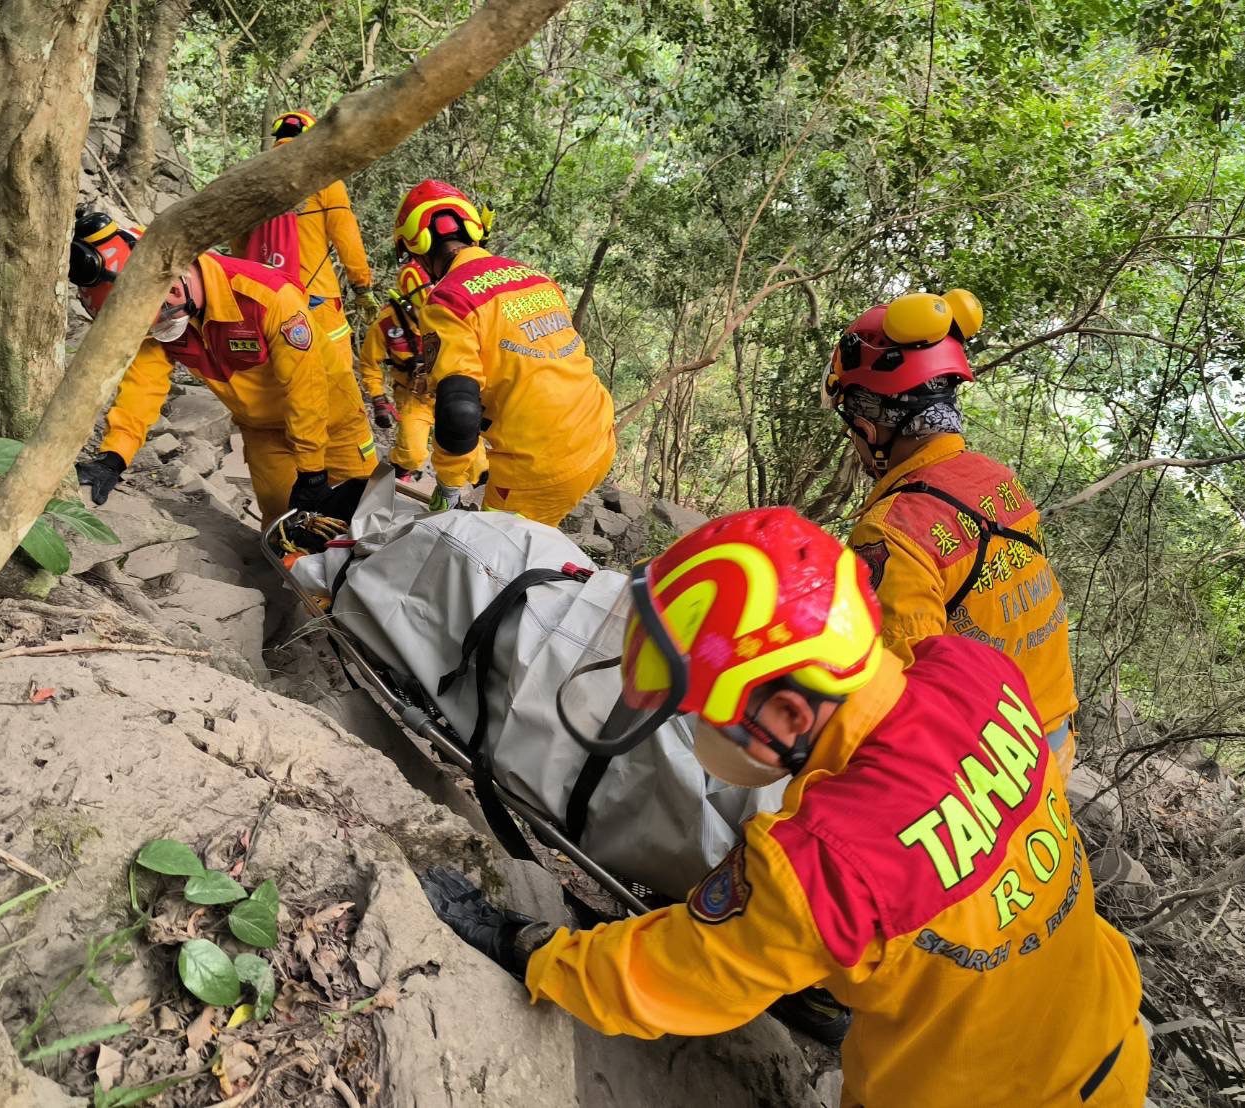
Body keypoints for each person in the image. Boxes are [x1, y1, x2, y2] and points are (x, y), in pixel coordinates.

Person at [421, 507, 1147, 1108]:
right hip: (1109, 1038)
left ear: (792, 716)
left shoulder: (825, 864)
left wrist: (530, 949)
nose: (698, 730)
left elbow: (674, 974)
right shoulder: (978, 672)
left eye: (703, 714)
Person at [826, 289, 1080, 774]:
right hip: (1051, 738)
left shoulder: (892, 533)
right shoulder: (998, 479)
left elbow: (891, 700)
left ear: (868, 424)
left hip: (984, 770)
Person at [68, 211, 376, 523]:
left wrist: (312, 473)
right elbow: (142, 386)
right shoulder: (160, 316)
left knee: (363, 519)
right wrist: (113, 458)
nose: (154, 331)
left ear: (174, 287)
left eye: (156, 321)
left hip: (334, 423)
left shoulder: (266, 297)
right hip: (265, 433)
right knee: (284, 527)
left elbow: (306, 388)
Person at [394, 179, 614, 525]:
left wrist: (449, 484)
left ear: (419, 249)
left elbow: (459, 411)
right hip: (599, 437)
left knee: (494, 553)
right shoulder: (535, 277)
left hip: (539, 469)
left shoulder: (449, 299)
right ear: (472, 229)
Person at [233, 109, 378, 388]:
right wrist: (362, 287)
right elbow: (347, 239)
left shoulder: (252, 180)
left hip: (264, 293)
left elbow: (239, 242)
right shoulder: (325, 180)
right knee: (336, 374)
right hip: (316, 293)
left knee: (277, 373)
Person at [357, 259, 486, 481]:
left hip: (452, 393)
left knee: (477, 463)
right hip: (414, 396)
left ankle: (471, 495)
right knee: (412, 454)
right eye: (422, 311)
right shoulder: (387, 324)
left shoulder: (452, 313)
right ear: (407, 304)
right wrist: (378, 398)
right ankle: (396, 479)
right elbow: (369, 364)